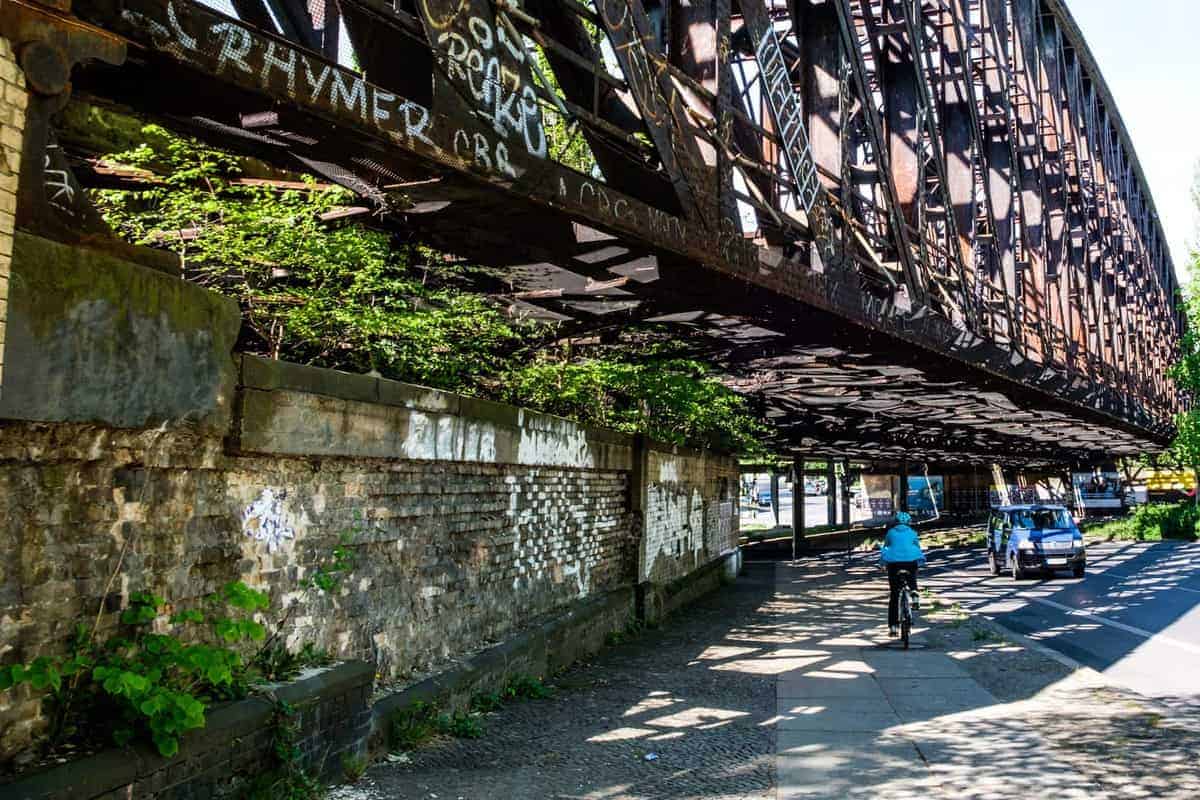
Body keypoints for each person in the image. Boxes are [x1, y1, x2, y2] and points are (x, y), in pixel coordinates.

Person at [879, 511, 926, 637]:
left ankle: (893, 627)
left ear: (896, 522)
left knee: (894, 595)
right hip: (911, 562)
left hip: (894, 564)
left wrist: (882, 564)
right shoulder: (913, 533)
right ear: (909, 522)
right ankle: (915, 594)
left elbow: (886, 547)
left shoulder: (891, 532)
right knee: (912, 576)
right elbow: (917, 547)